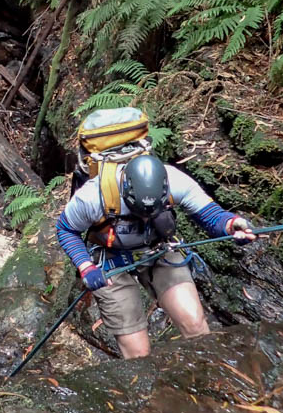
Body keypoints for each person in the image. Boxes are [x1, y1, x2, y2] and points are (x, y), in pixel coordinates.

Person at [55, 151, 255, 359]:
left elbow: (211, 215)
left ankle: (208, 378)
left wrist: (231, 225)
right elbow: (66, 230)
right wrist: (86, 265)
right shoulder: (93, 196)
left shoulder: (175, 181)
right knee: (138, 354)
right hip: (110, 260)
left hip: (158, 249)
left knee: (196, 326)